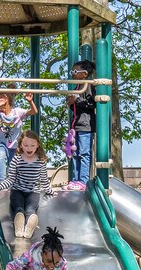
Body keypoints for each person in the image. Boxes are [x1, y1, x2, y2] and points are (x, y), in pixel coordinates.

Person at [0, 130, 53, 239]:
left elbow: (44, 179)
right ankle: (19, 224)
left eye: (32, 145)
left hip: (33, 192)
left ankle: (29, 226)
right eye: (26, 145)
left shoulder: (41, 161)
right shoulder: (17, 159)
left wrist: (50, 191)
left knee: (31, 210)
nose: (29, 148)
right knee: (18, 208)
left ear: (37, 145)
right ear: (21, 146)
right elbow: (10, 179)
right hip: (17, 191)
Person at [0, 84, 38, 182]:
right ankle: (2, 181)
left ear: (6, 99)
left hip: (14, 145)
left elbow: (34, 111)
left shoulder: (17, 112)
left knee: (12, 165)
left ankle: (11, 183)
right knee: (0, 155)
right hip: (1, 143)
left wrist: (30, 101)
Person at [65, 60, 96, 191]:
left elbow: (91, 104)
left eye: (75, 71)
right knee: (75, 153)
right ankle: (75, 179)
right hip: (76, 126)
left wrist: (76, 100)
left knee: (84, 153)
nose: (73, 74)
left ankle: (83, 180)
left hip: (86, 125)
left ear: (85, 74)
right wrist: (71, 103)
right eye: (72, 71)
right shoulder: (77, 87)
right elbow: (78, 108)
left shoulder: (88, 86)